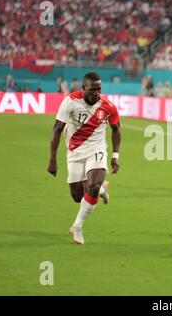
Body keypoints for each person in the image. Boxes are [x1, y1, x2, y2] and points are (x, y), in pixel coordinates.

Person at [47, 72, 121, 245]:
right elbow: (57, 130)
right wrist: (52, 158)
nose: (96, 93)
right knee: (77, 196)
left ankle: (77, 226)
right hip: (74, 152)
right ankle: (102, 190)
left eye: (99, 89)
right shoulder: (71, 101)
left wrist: (115, 156)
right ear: (84, 88)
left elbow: (116, 130)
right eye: (92, 89)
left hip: (97, 149)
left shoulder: (108, 106)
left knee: (92, 186)